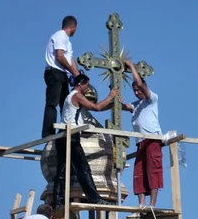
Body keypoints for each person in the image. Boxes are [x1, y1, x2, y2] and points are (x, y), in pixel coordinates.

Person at [53, 74, 118, 209]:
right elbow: (96, 108)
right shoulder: (77, 95)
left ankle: (58, 201)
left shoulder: (71, 97)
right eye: (87, 86)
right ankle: (94, 199)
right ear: (80, 84)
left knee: (62, 170)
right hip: (71, 136)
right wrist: (110, 96)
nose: (88, 89)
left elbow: (94, 106)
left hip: (62, 136)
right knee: (83, 168)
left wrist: (112, 104)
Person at [121, 59, 163, 208]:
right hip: (140, 142)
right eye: (135, 91)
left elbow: (139, 84)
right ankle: (141, 204)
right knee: (139, 171)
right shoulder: (136, 105)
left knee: (153, 170)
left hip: (152, 139)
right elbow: (124, 107)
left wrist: (131, 66)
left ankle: (152, 204)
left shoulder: (151, 98)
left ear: (145, 87)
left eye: (139, 90)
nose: (137, 92)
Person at [42, 16, 80, 138]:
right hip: (54, 72)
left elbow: (70, 58)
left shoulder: (67, 41)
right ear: (74, 26)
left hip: (62, 74)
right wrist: (73, 72)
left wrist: (78, 74)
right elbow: (60, 56)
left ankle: (64, 132)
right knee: (52, 103)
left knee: (65, 104)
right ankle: (48, 133)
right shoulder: (60, 36)